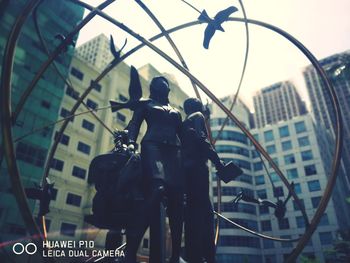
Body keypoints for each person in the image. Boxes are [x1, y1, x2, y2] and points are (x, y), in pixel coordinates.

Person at [125, 76, 184, 263]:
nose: (163, 86)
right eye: (159, 83)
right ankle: (132, 245)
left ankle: (175, 255)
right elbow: (134, 124)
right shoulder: (146, 105)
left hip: (174, 152)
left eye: (165, 84)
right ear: (154, 88)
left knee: (177, 200)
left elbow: (184, 134)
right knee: (157, 189)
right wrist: (131, 143)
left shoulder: (176, 111)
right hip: (153, 147)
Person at [181, 98, 224, 263]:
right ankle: (207, 256)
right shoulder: (197, 116)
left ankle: (195, 256)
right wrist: (218, 162)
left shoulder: (185, 123)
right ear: (197, 106)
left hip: (185, 172)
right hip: (198, 169)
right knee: (204, 213)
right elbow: (201, 139)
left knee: (193, 213)